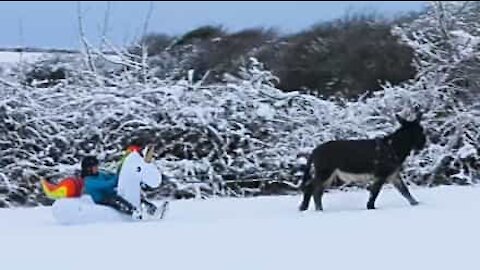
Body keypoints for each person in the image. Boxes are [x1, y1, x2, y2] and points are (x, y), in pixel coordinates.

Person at [81, 154, 159, 220]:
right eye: (95, 166)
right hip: (101, 200)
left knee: (132, 195)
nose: (97, 168)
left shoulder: (100, 174)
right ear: (88, 169)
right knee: (116, 200)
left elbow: (112, 176)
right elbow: (108, 184)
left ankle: (153, 210)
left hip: (111, 194)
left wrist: (121, 173)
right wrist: (118, 175)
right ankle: (133, 212)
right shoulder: (88, 181)